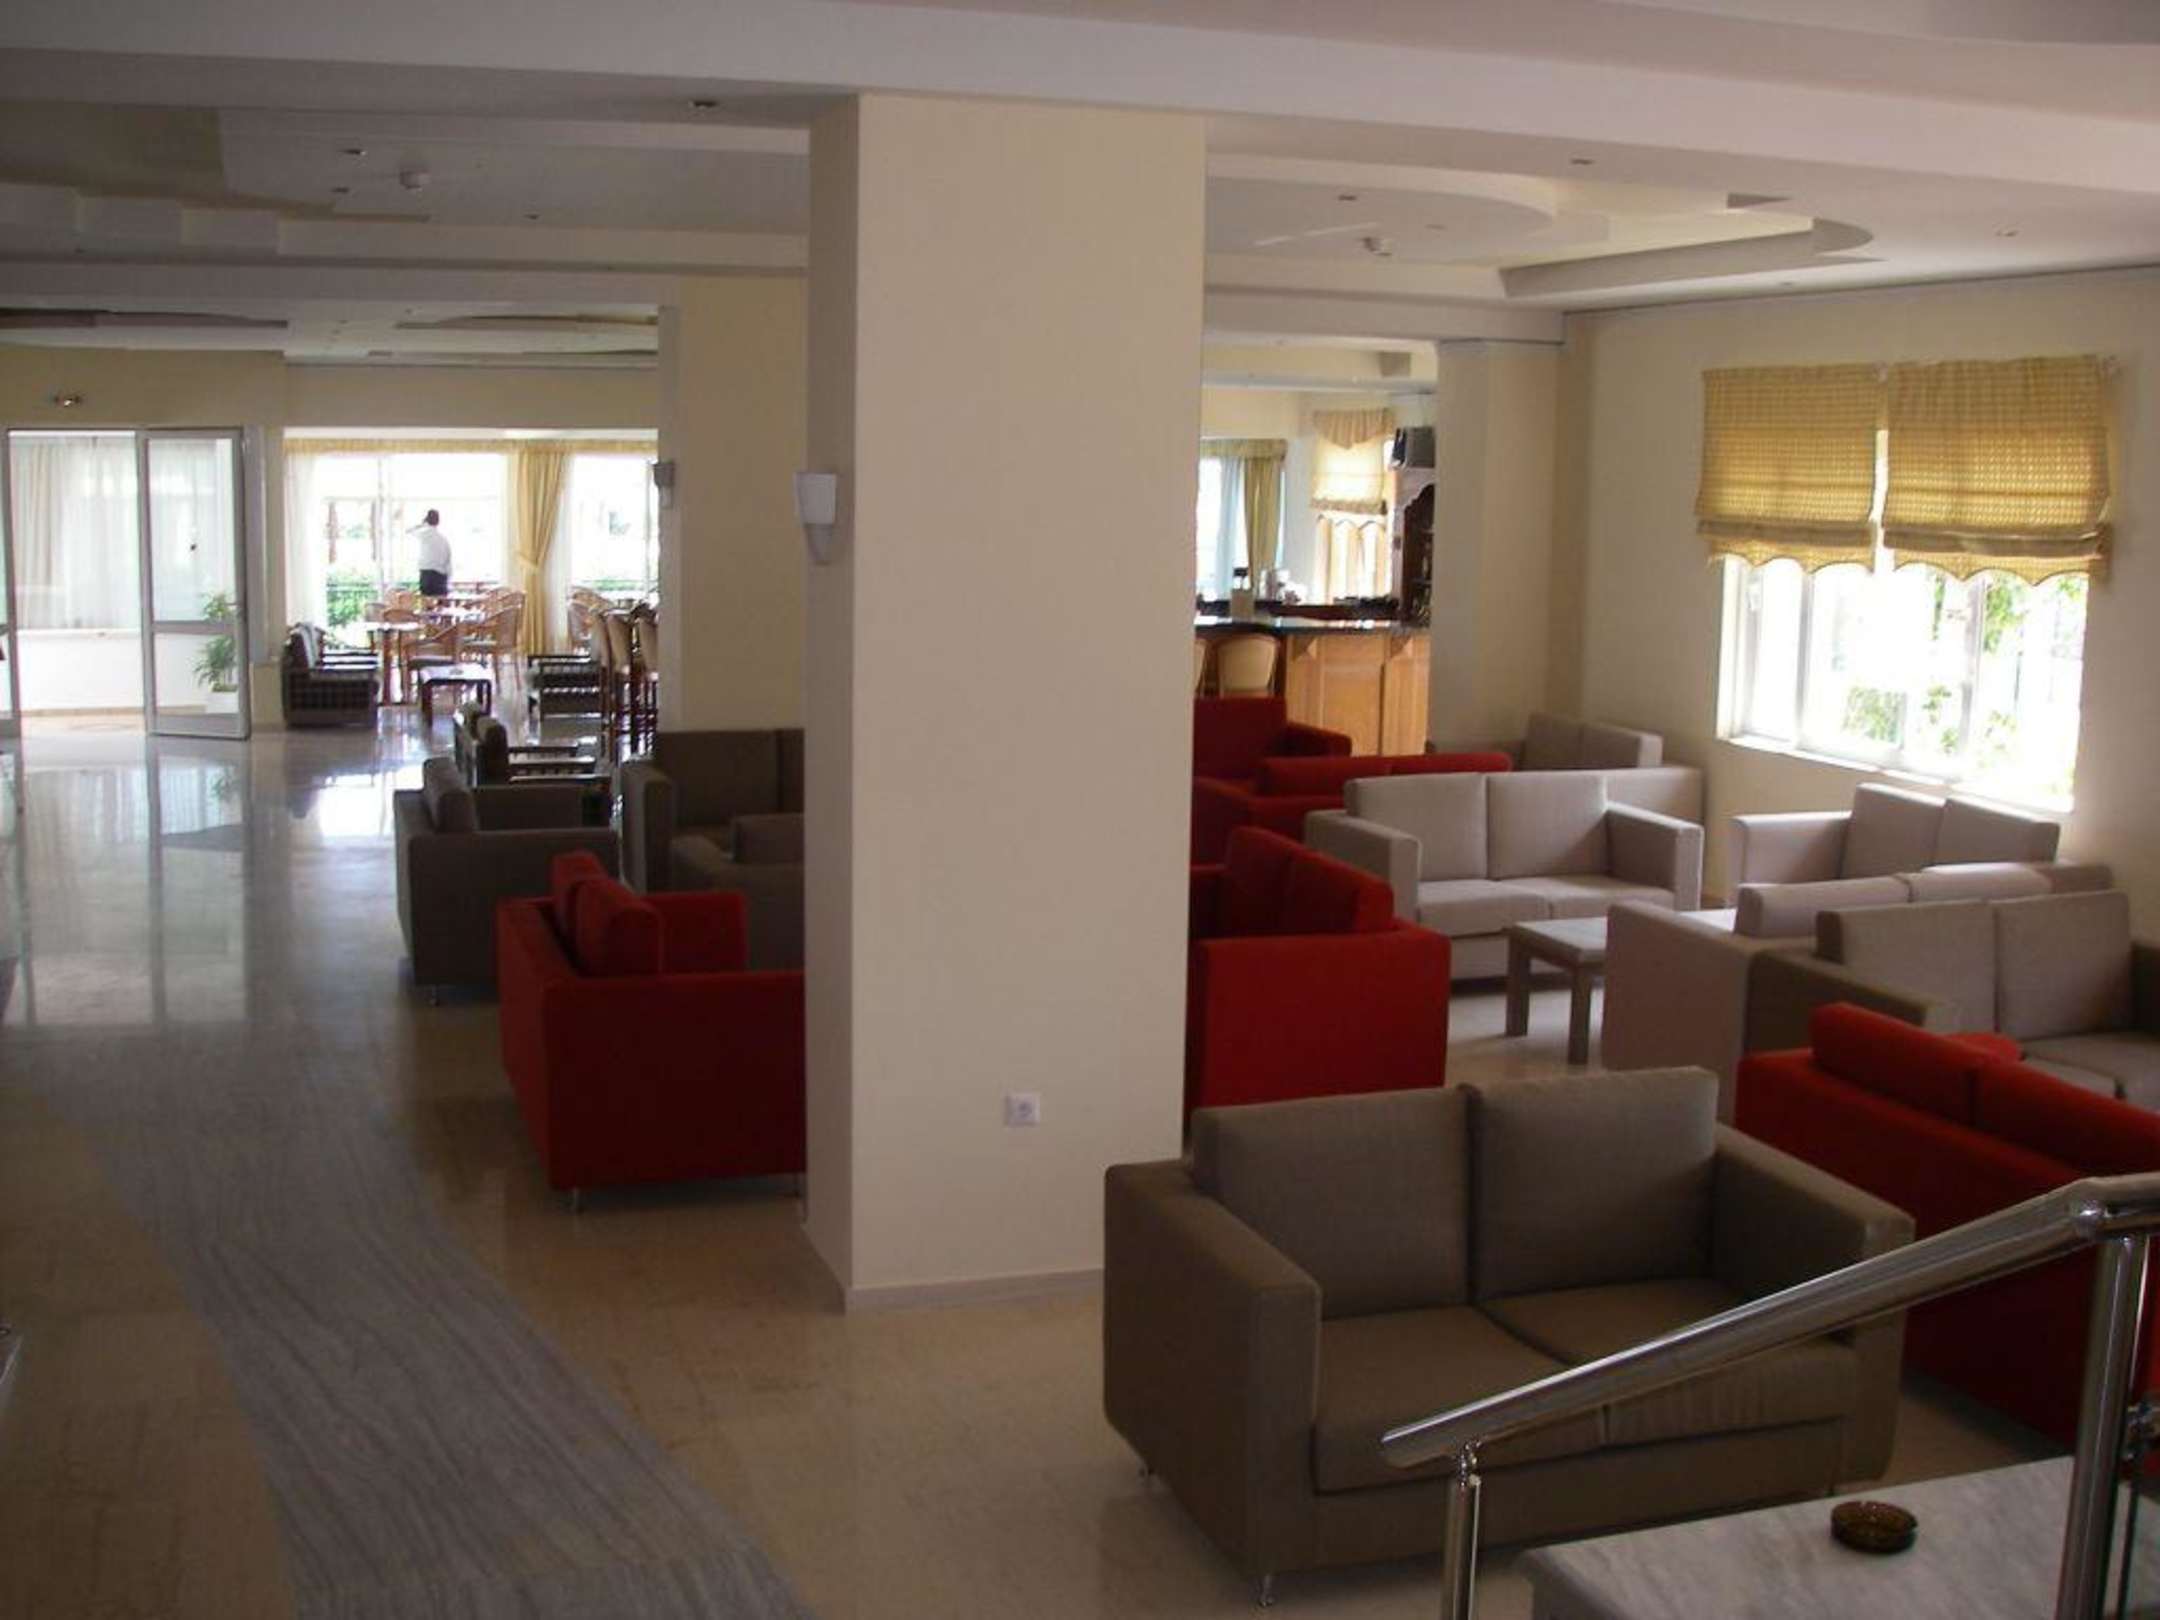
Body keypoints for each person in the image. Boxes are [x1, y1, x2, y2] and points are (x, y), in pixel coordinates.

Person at [414, 510, 452, 599]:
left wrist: (422, 524)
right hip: (440, 576)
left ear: (427, 520)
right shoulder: (443, 539)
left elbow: (409, 531)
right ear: (438, 522)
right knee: (440, 604)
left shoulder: (423, 534)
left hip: (426, 574)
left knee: (426, 603)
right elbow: (448, 560)